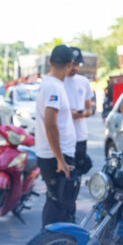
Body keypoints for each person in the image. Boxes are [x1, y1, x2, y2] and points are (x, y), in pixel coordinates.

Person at [35, 45, 79, 227]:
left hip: (52, 154)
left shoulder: (49, 84)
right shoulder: (53, 87)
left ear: (50, 61)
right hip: (56, 157)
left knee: (59, 205)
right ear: (70, 64)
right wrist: (61, 160)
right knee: (60, 208)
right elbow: (50, 124)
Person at [64, 47, 94, 220]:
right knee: (63, 181)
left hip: (80, 137)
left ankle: (71, 216)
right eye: (72, 63)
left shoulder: (83, 81)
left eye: (77, 64)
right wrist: (68, 113)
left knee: (76, 180)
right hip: (63, 139)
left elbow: (90, 109)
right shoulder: (58, 81)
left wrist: (80, 114)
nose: (75, 67)